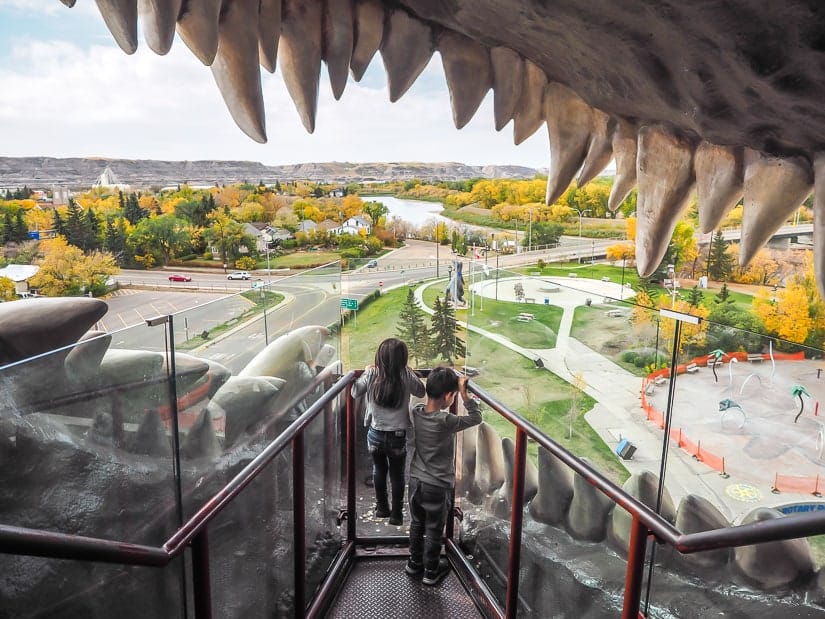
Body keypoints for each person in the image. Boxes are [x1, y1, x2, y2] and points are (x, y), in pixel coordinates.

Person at [405, 368, 482, 586]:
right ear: (449, 396)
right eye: (454, 395)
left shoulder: (418, 412)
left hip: (415, 481)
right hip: (437, 485)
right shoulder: (446, 420)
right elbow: (476, 418)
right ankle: (431, 571)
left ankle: (413, 563)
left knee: (417, 523)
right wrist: (466, 396)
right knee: (434, 529)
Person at [351, 338, 424, 525]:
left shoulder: (372, 374)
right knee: (398, 475)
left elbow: (354, 391)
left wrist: (365, 372)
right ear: (403, 359)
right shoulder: (405, 375)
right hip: (398, 437)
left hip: (375, 435)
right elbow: (421, 391)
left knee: (379, 470)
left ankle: (382, 507)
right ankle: (397, 513)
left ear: (379, 357)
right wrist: (410, 372)